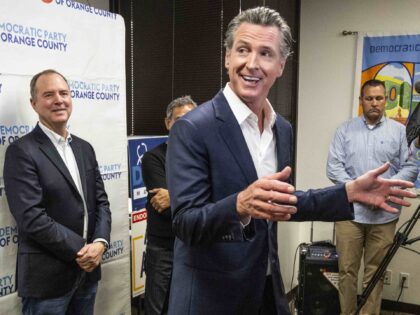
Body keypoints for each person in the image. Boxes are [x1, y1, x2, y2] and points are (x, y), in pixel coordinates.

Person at [165, 7, 416, 315]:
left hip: (265, 289)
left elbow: (284, 203)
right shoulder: (192, 128)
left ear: (281, 65)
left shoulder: (281, 129)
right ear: (228, 57)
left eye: (266, 53)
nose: (252, 63)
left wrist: (348, 192)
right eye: (243, 50)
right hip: (209, 299)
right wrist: (240, 204)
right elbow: (185, 223)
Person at [3, 69, 112, 315]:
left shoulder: (85, 148)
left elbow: (101, 202)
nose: (59, 100)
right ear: (34, 103)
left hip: (87, 274)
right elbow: (31, 217)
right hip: (47, 281)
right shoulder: (22, 152)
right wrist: (83, 249)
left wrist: (100, 243)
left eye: (64, 93)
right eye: (49, 94)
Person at [327, 79, 417, 315]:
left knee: (375, 273)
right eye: (369, 98)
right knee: (346, 271)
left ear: (385, 100)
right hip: (349, 214)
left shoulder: (400, 132)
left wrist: (385, 188)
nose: (374, 103)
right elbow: (333, 168)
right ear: (361, 101)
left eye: (379, 98)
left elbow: (411, 165)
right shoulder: (344, 130)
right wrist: (359, 191)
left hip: (384, 215)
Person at [142, 96, 196, 315]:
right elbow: (163, 207)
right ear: (168, 123)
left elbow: (218, 197)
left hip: (195, 246)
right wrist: (199, 199)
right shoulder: (153, 158)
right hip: (164, 248)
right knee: (158, 308)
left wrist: (174, 196)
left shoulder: (203, 157)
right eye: (180, 119)